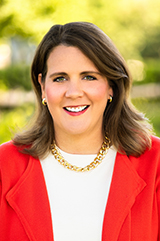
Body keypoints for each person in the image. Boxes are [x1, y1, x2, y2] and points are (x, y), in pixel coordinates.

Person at [0, 22, 160, 241]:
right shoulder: (4, 166)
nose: (73, 92)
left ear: (111, 85)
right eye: (60, 78)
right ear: (42, 86)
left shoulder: (155, 163)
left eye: (89, 77)